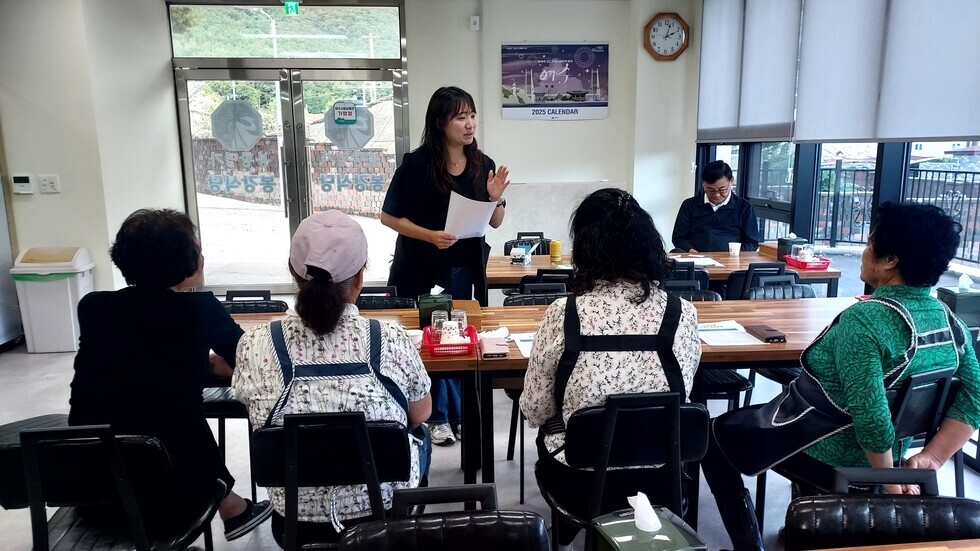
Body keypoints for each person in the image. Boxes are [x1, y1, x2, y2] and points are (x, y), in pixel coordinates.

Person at [703, 202, 980, 551]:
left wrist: (888, 483)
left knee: (714, 435)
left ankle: (749, 546)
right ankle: (809, 526)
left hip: (837, 461)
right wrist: (931, 459)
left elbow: (872, 416)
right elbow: (976, 395)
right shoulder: (947, 320)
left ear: (890, 259)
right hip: (890, 458)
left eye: (869, 244)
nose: (864, 251)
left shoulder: (865, 321)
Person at [68, 209, 272, 541]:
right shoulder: (199, 309)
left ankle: (232, 506)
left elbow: (139, 362)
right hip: (171, 488)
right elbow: (247, 360)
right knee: (173, 416)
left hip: (89, 479)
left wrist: (197, 364)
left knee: (144, 408)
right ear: (190, 260)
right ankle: (231, 506)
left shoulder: (93, 306)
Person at [233, 210, 432, 545]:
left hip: (296, 524)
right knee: (420, 434)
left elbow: (253, 414)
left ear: (295, 274)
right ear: (359, 279)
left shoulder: (255, 343)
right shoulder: (392, 339)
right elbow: (420, 413)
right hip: (381, 522)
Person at [520, 188, 702, 546]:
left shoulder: (564, 314)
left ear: (585, 251)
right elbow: (682, 395)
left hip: (582, 484)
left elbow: (537, 411)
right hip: (662, 478)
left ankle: (573, 530)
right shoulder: (682, 313)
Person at [380, 85, 510, 445]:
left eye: (472, 115)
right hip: (420, 265)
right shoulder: (417, 164)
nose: (469, 124)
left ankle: (461, 414)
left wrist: (496, 198)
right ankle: (436, 416)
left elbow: (495, 222)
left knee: (460, 341)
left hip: (463, 266)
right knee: (428, 342)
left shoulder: (482, 163)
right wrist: (430, 235)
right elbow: (388, 217)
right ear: (440, 122)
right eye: (460, 117)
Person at [672, 160, 760, 253]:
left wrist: (733, 255)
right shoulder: (689, 205)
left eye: (722, 190)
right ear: (703, 184)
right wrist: (691, 251)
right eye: (710, 190)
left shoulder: (744, 207)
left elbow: (752, 242)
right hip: (695, 259)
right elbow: (679, 237)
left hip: (731, 262)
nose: (716, 195)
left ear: (731, 181)